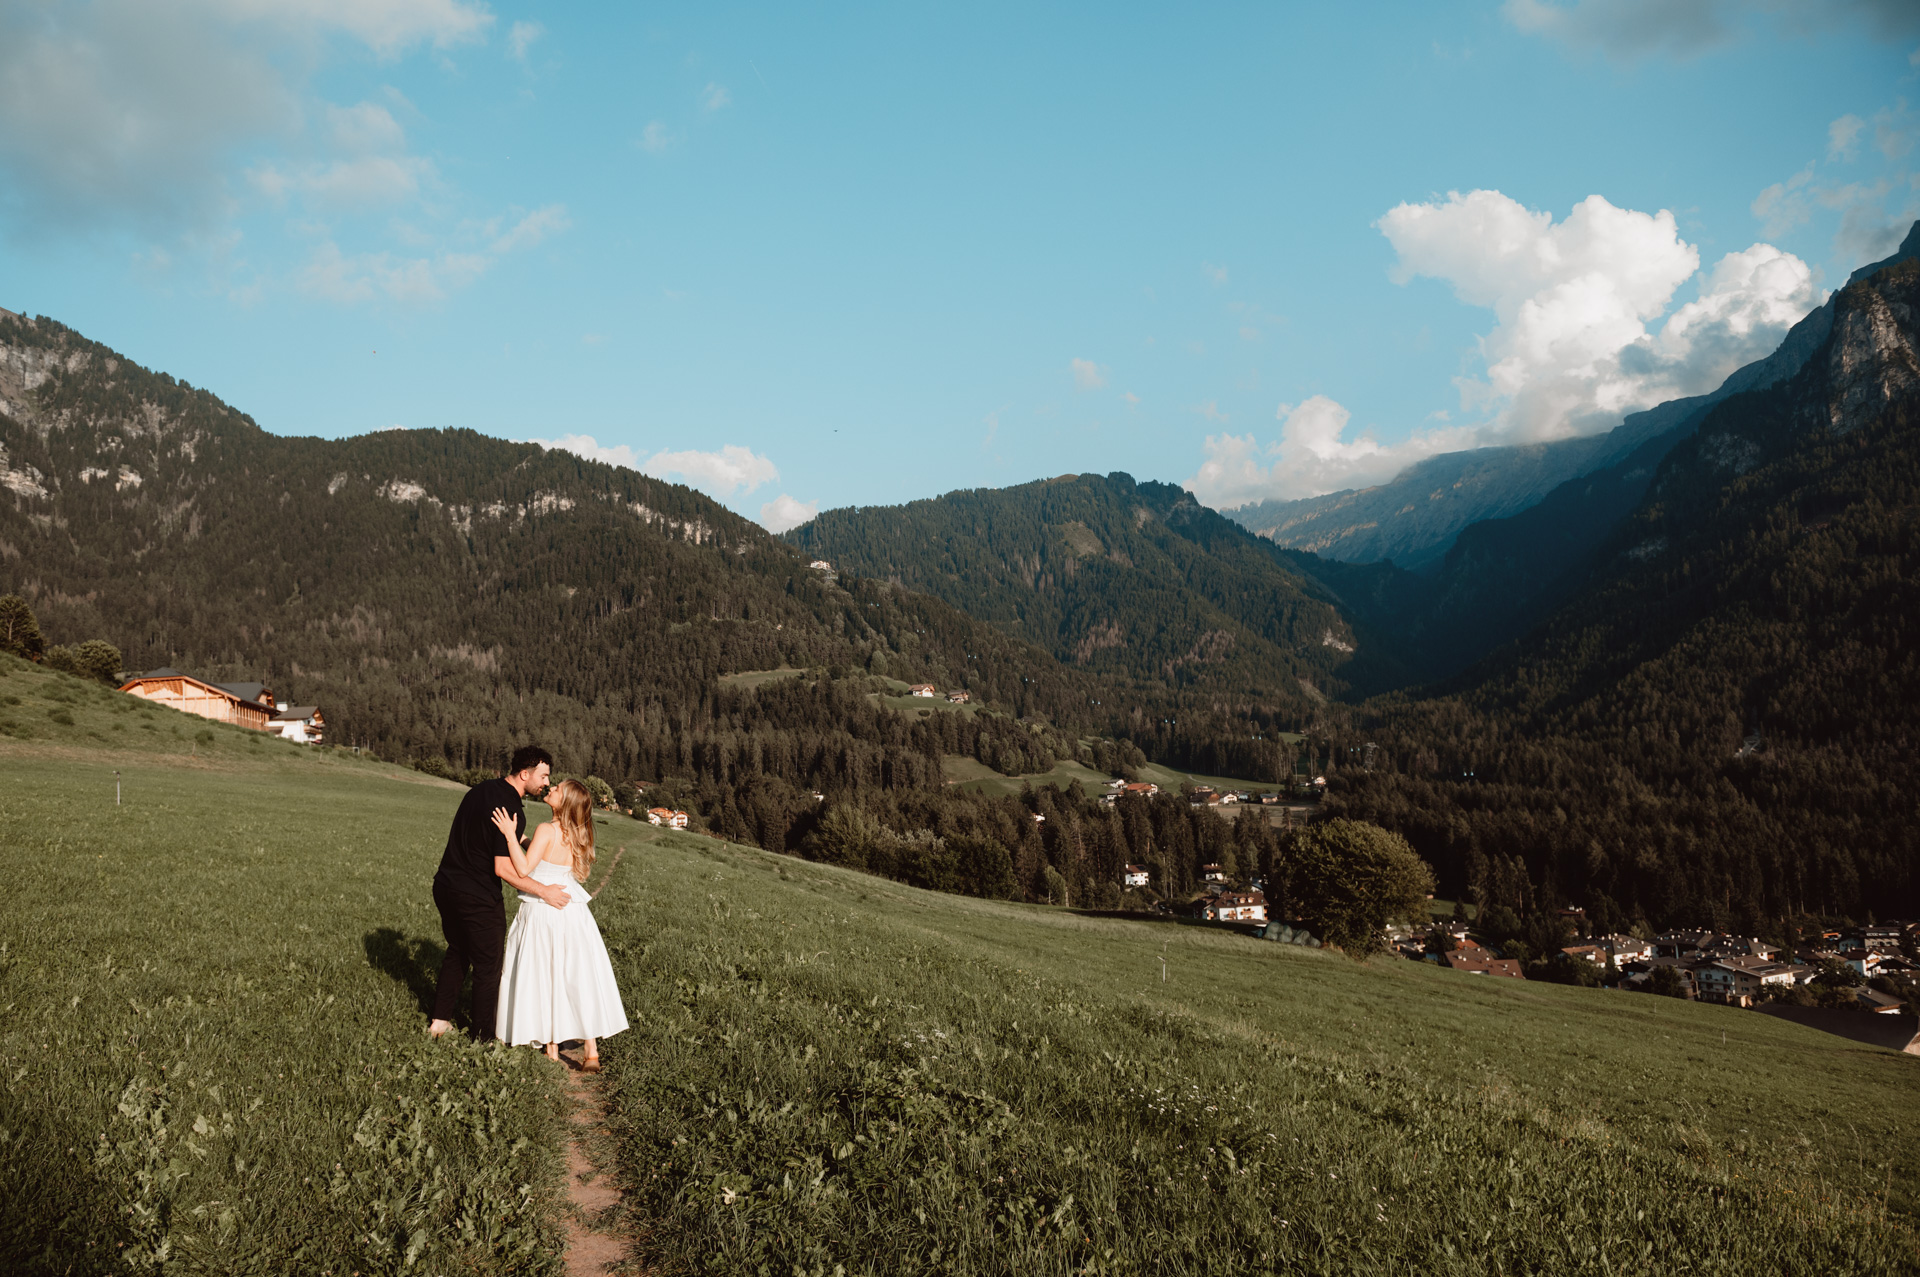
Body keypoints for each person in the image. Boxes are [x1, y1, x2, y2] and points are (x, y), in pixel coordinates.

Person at [427, 746, 570, 1041]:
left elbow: (500, 837)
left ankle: (439, 1021)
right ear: (525, 774)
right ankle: (483, 1039)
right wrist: (545, 891)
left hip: (445, 886)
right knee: (488, 967)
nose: (545, 782)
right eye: (543, 776)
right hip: (477, 896)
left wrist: (536, 845)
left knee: (458, 951)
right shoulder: (512, 808)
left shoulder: (482, 790)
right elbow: (504, 869)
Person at [491, 778, 629, 1069]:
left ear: (563, 802)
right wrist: (523, 840)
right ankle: (591, 1050)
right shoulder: (578, 833)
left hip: (544, 909)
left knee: (545, 972)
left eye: (558, 790)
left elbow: (525, 867)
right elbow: (549, 860)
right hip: (573, 911)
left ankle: (551, 1046)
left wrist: (508, 836)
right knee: (575, 975)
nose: (551, 788)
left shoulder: (546, 829)